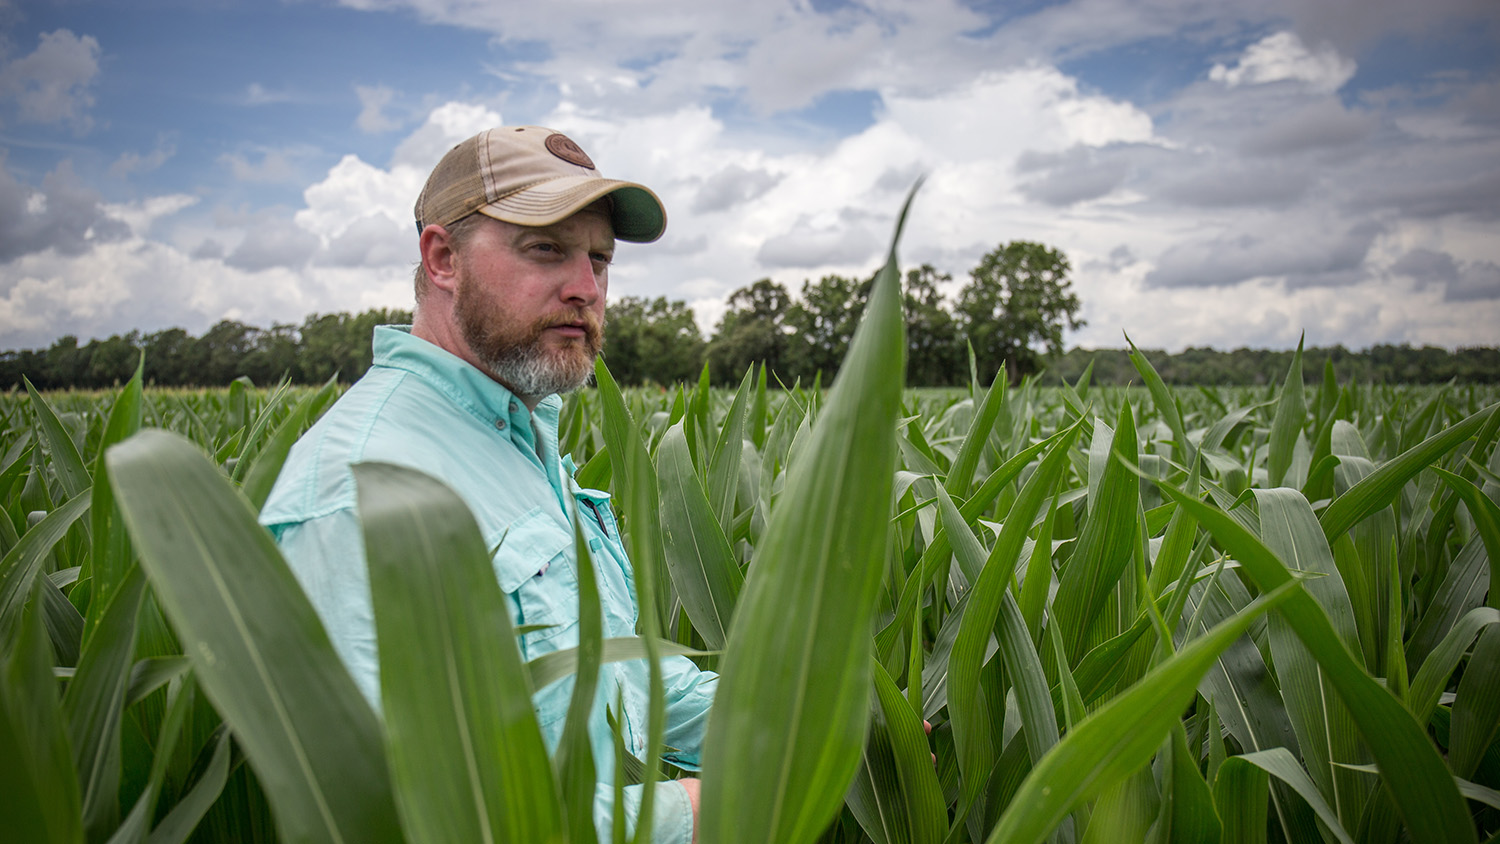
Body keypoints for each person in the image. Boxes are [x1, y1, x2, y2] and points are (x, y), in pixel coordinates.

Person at [259, 125, 715, 844]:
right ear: (442, 259)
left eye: (600, 259)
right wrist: (704, 809)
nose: (586, 289)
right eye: (546, 250)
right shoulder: (362, 492)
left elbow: (613, 684)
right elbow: (407, 811)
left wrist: (790, 721)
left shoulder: (519, 441)